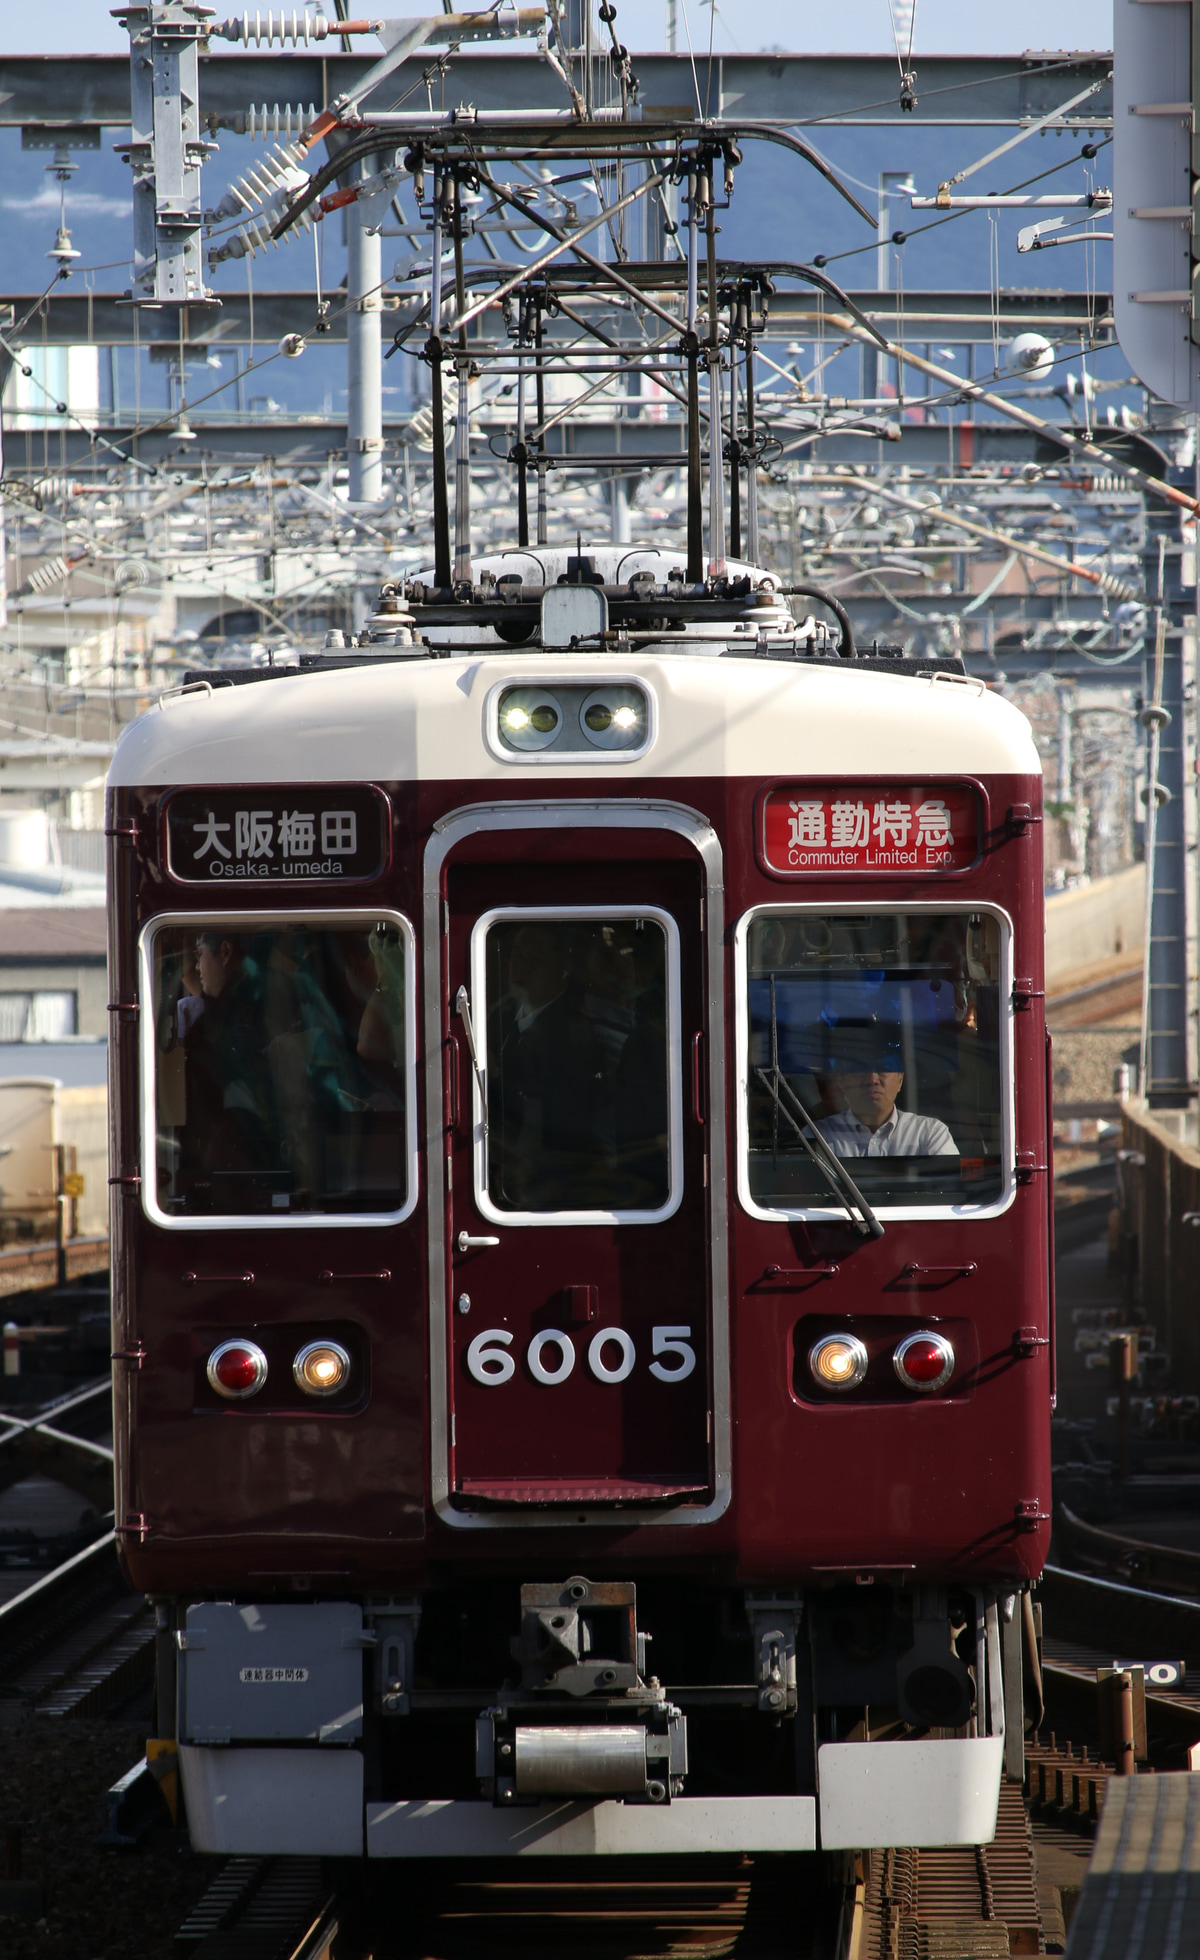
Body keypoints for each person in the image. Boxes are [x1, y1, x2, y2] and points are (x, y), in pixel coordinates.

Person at [816, 1068, 957, 1157]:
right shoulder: (818, 1135)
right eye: (861, 1069)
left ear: (900, 1079)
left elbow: (949, 1191)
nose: (872, 1079)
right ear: (843, 1082)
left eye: (883, 1069)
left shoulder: (929, 1133)